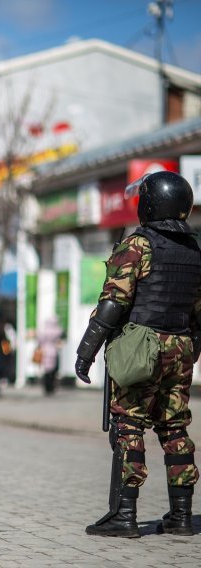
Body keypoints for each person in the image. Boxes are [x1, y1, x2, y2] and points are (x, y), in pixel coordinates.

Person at [75, 171, 201, 538]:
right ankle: (181, 516)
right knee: (175, 427)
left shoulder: (138, 245)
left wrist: (87, 351)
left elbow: (113, 304)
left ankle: (124, 515)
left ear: (150, 204)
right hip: (181, 346)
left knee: (128, 425)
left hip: (142, 346)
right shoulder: (195, 251)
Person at [36, 315, 63, 396]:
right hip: (53, 351)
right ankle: (51, 387)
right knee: (53, 371)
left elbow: (39, 341)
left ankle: (46, 387)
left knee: (46, 371)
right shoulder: (57, 330)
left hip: (44, 352)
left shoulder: (43, 331)